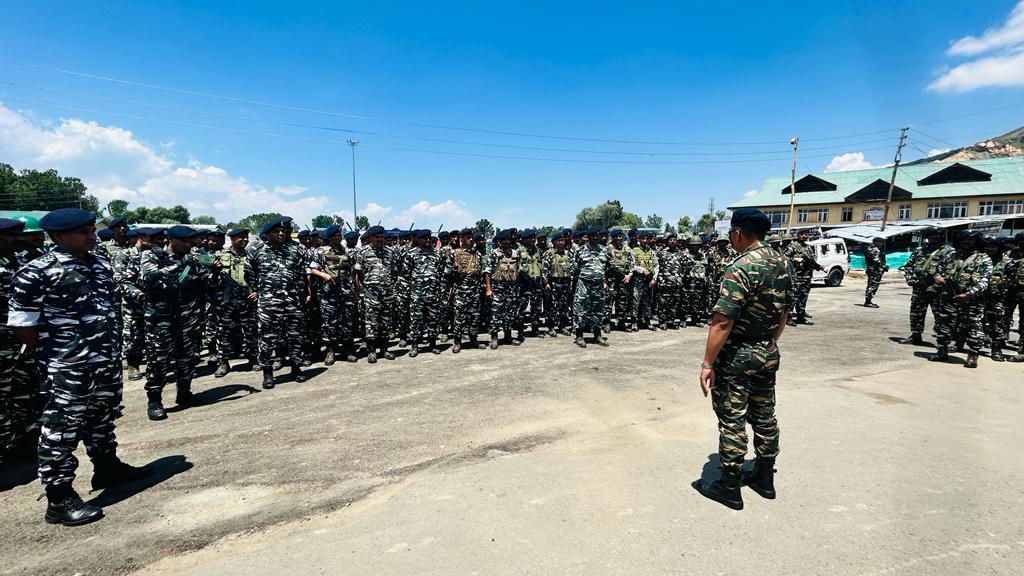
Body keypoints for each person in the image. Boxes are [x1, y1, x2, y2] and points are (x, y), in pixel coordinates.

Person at [8, 208, 150, 526]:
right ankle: (59, 498)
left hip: (103, 358)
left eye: (90, 229)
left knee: (101, 417)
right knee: (60, 429)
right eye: (82, 231)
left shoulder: (99, 264)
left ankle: (107, 467)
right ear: (58, 236)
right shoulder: (38, 271)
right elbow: (21, 323)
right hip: (67, 364)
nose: (91, 235)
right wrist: (57, 352)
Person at [692, 208, 792, 511]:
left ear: (738, 233)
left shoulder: (741, 266)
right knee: (764, 414)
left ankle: (730, 484)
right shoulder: (782, 262)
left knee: (732, 418)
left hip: (737, 355)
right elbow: (785, 312)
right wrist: (767, 344)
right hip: (767, 350)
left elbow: (722, 322)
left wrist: (708, 363)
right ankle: (764, 475)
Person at [140, 225, 217, 420]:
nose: (188, 245)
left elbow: (207, 283)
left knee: (187, 358)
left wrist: (214, 271)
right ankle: (154, 400)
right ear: (171, 240)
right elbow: (151, 276)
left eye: (191, 242)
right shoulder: (152, 256)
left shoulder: (194, 259)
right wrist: (181, 264)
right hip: (161, 317)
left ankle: (184, 393)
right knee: (158, 360)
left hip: (188, 316)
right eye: (184, 242)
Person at [246, 216, 309, 387]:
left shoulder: (295, 250)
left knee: (295, 336)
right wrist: (258, 290)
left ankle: (296, 368)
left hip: (292, 301)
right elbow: (249, 273)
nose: (281, 233)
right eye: (277, 231)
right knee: (266, 338)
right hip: (268, 303)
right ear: (268, 233)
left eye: (283, 231)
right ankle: (268, 373)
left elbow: (302, 274)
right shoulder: (256, 250)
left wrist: (300, 294)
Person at [0, 218, 37, 462]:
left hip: (21, 343)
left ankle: (21, 442)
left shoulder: (20, 263)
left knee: (24, 393)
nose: (19, 239)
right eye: (12, 235)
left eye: (19, 234)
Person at [929, 231, 992, 368]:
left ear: (976, 241)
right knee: (943, 325)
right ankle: (942, 351)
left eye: (970, 239)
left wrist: (969, 294)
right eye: (964, 239)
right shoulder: (951, 255)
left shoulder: (983, 258)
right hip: (949, 297)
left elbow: (985, 280)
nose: (966, 241)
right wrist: (937, 277)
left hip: (971, 299)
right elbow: (938, 270)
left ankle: (973, 355)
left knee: (973, 327)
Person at [213, 228, 259, 376]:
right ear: (232, 239)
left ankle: (253, 359)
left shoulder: (251, 256)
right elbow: (210, 279)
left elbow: (258, 276)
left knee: (251, 330)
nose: (244, 240)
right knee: (224, 331)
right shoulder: (220, 256)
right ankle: (223, 362)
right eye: (241, 237)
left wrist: (256, 291)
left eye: (246, 237)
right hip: (226, 299)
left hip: (246, 297)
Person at [898, 227, 950, 346]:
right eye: (931, 235)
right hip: (919, 287)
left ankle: (943, 341)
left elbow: (953, 269)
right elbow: (908, 266)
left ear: (942, 236)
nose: (933, 237)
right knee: (916, 312)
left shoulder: (949, 251)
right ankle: (916, 336)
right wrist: (910, 278)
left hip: (939, 289)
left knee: (941, 314)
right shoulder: (920, 250)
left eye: (936, 235)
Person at [353, 225, 396, 363]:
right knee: (371, 322)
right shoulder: (363, 252)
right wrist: (362, 290)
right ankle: (371, 351)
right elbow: (358, 273)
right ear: (370, 238)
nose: (380, 239)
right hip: (371, 293)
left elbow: (393, 271)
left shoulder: (390, 252)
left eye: (382, 237)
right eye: (377, 237)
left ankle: (385, 349)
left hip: (387, 293)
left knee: (385, 322)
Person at [571, 227, 610, 347]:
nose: (595, 238)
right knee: (580, 309)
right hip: (584, 284)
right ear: (588, 237)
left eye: (597, 236)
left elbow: (606, 267)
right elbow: (575, 269)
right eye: (592, 236)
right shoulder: (580, 251)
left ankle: (598, 335)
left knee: (598, 310)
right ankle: (579, 336)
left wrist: (604, 280)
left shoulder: (603, 250)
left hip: (598, 285)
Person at [448, 228, 485, 353]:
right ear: (461, 239)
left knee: (474, 316)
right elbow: (448, 274)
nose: (470, 240)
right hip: (460, 291)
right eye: (467, 237)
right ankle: (457, 342)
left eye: (471, 237)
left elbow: (481, 273)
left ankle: (473, 340)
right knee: (459, 317)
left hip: (474, 291)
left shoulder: (477, 254)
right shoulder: (454, 253)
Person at [485, 229, 522, 349]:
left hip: (511, 288)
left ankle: (508, 337)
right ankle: (494, 338)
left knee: (509, 314)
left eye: (508, 240)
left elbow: (518, 271)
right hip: (498, 288)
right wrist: (488, 289)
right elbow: (487, 272)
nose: (506, 242)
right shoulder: (494, 254)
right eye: (503, 240)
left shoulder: (516, 253)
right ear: (499, 242)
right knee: (495, 314)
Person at [785, 229, 823, 326]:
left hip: (806, 276)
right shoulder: (792, 246)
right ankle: (788, 318)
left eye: (807, 234)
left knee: (803, 297)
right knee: (794, 297)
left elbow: (811, 261)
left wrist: (818, 266)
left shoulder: (807, 247)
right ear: (798, 235)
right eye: (803, 234)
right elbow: (784, 258)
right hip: (796, 276)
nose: (805, 236)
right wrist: (794, 259)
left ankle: (800, 317)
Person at [862, 237, 888, 308]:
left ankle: (868, 301)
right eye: (881, 242)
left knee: (871, 284)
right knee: (873, 285)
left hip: (871, 269)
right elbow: (876, 260)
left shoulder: (869, 248)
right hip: (875, 270)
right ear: (877, 242)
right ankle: (868, 302)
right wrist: (884, 266)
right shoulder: (875, 250)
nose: (882, 244)